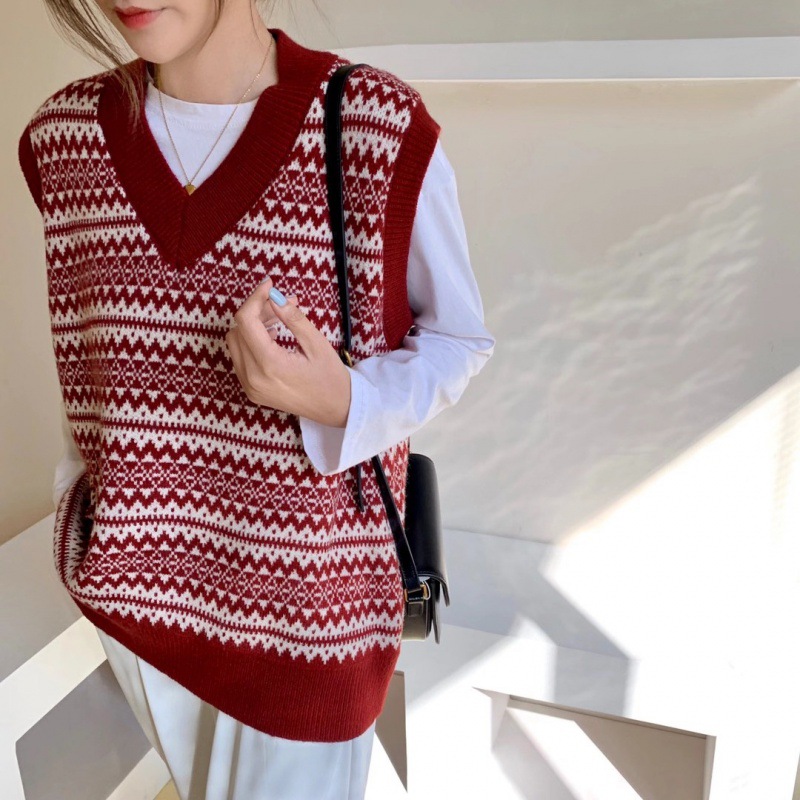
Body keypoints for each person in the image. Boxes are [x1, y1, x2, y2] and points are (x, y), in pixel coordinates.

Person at [17, 1, 495, 798]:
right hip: (133, 604)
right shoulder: (64, 141)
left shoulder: (372, 127)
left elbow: (459, 341)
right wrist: (86, 509)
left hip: (308, 628)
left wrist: (343, 399)